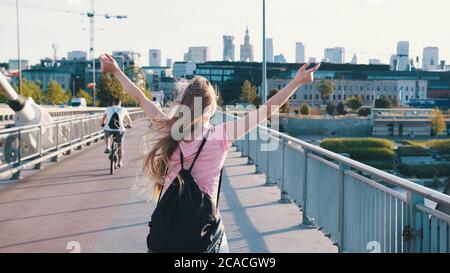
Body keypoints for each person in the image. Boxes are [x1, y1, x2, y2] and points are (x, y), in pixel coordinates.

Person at [99, 53, 320, 252]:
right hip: (202, 233)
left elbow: (140, 99)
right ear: (211, 108)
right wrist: (297, 82)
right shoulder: (221, 135)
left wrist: (117, 70)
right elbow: (267, 109)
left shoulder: (170, 129)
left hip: (165, 232)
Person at [101, 98, 133, 168]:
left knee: (107, 135)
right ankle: (120, 162)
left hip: (109, 128)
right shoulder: (124, 109)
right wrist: (130, 125)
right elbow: (129, 120)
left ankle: (108, 147)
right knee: (120, 146)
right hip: (120, 130)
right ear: (120, 103)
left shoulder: (108, 109)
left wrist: (103, 123)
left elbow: (103, 118)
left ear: (113, 103)